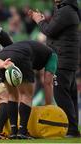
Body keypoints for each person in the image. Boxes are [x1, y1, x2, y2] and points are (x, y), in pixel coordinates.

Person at [29, 0, 81, 137]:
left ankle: (72, 129)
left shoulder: (65, 10)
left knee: (61, 94)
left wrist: (38, 21)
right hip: (68, 58)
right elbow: (55, 29)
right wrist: (44, 20)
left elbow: (49, 30)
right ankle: (73, 128)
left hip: (62, 58)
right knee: (70, 94)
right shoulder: (69, 9)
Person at [0, 40, 57, 139]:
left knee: (12, 95)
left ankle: (13, 131)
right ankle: (22, 131)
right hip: (21, 55)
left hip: (3, 55)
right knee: (26, 95)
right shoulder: (53, 55)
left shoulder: (38, 49)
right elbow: (48, 82)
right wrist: (48, 106)